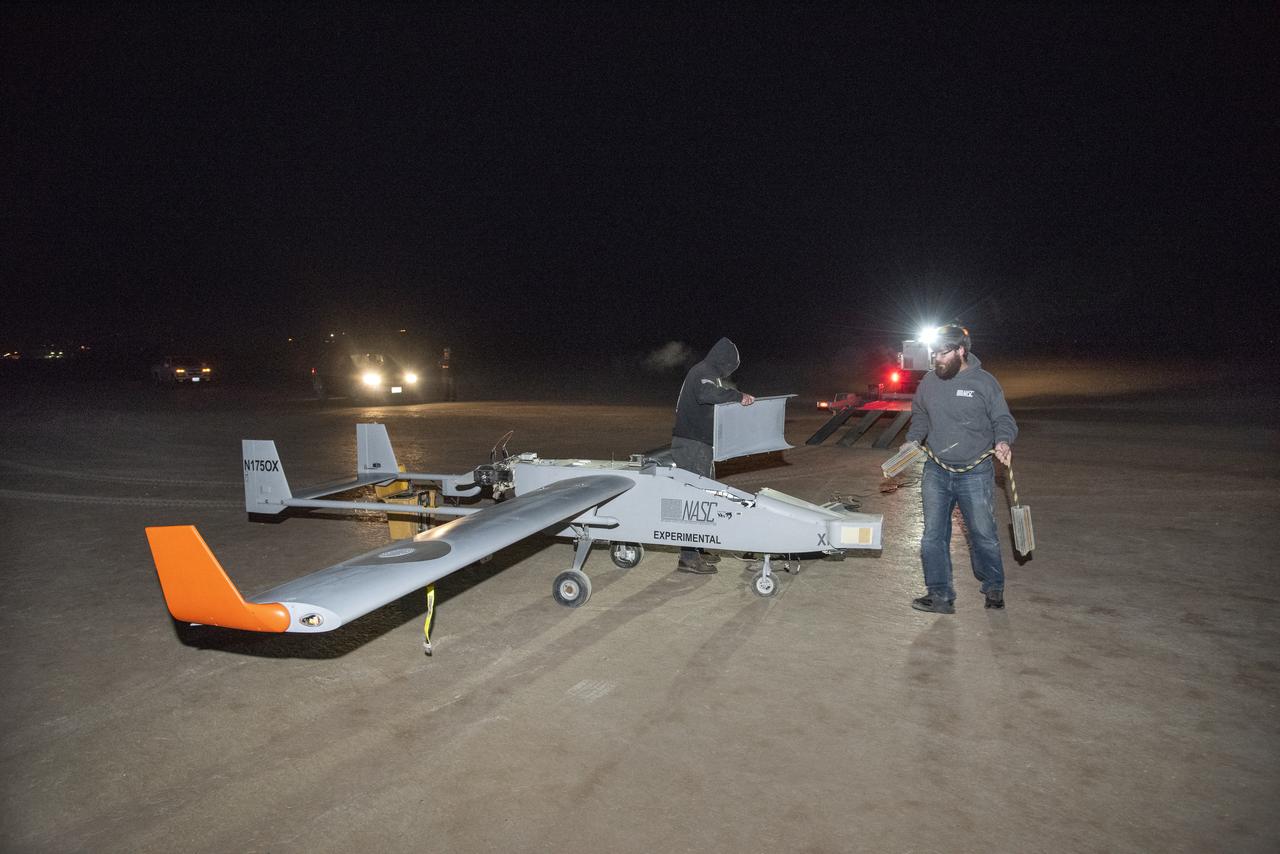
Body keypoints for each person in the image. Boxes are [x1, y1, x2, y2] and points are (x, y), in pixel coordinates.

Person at [904, 324, 1017, 612]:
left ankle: (993, 586)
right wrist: (913, 439)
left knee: (983, 533)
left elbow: (1003, 419)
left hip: (975, 472)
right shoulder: (929, 382)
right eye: (934, 354)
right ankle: (940, 595)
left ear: (960, 351)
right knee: (932, 535)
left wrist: (1003, 441)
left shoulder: (984, 382)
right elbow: (920, 415)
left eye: (942, 354)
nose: (936, 360)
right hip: (937, 469)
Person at [670, 337, 755, 574]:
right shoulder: (704, 372)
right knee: (695, 501)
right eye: (730, 366)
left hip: (698, 444)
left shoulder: (708, 371)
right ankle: (688, 556)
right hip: (692, 445)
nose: (730, 370)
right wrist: (738, 396)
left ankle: (697, 547)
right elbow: (706, 394)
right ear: (724, 360)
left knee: (704, 497)